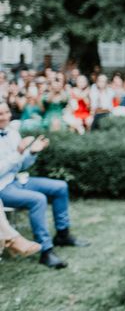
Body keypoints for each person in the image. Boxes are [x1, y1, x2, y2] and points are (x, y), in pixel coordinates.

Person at [0, 102, 89, 268]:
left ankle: (63, 234)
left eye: (7, 112)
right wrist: (18, 152)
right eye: (1, 114)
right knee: (38, 199)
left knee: (60, 187)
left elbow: (21, 165)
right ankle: (46, 251)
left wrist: (32, 152)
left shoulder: (12, 133)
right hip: (2, 188)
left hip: (17, 180)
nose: (6, 117)